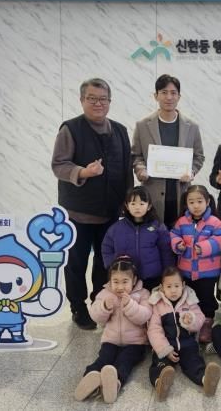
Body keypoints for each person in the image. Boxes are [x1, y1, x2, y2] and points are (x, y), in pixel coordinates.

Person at [52, 78, 133, 330]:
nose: (98, 103)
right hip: (79, 212)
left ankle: (100, 304)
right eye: (92, 98)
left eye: (103, 99)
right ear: (82, 100)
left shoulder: (120, 130)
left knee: (105, 261)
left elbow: (126, 169)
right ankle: (78, 307)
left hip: (110, 211)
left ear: (109, 102)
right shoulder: (71, 129)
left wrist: (128, 201)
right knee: (76, 262)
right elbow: (59, 165)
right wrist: (83, 172)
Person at [74, 256, 152, 404]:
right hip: (111, 340)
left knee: (124, 362)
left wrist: (130, 305)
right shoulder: (105, 294)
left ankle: (115, 382)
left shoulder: (143, 294)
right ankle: (90, 379)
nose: (120, 287)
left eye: (125, 281)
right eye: (115, 282)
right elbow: (95, 316)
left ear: (134, 280)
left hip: (135, 343)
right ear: (110, 281)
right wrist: (104, 307)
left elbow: (144, 316)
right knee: (103, 359)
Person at [132, 74, 205, 228]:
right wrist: (141, 170)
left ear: (179, 96)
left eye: (173, 93)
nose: (169, 97)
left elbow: (199, 156)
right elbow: (136, 156)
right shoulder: (142, 125)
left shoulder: (192, 126)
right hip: (152, 193)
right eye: (164, 92)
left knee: (179, 237)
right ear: (156, 96)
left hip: (181, 193)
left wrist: (191, 172)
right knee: (153, 237)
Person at [147, 266, 221, 401]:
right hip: (167, 345)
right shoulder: (158, 305)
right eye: (169, 286)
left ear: (183, 285)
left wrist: (191, 320)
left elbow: (200, 319)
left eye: (176, 286)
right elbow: (154, 329)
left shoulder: (190, 301)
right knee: (160, 364)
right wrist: (165, 349)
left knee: (194, 362)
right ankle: (160, 382)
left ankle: (205, 380)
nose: (173, 290)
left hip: (187, 344)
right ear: (162, 288)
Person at [170, 185, 221, 343]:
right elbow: (173, 234)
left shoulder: (215, 222)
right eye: (191, 202)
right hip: (186, 270)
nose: (196, 205)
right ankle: (188, 322)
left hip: (208, 272)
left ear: (207, 202)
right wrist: (178, 244)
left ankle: (207, 323)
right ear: (186, 204)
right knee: (188, 298)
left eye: (200, 201)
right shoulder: (181, 222)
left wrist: (204, 247)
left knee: (206, 298)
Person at [102, 186, 174, 292]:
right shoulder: (116, 228)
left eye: (141, 204)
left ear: (149, 206)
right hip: (126, 280)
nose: (137, 207)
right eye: (133, 204)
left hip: (152, 278)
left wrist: (168, 272)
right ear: (127, 206)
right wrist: (112, 266)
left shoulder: (157, 226)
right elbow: (106, 248)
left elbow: (166, 251)